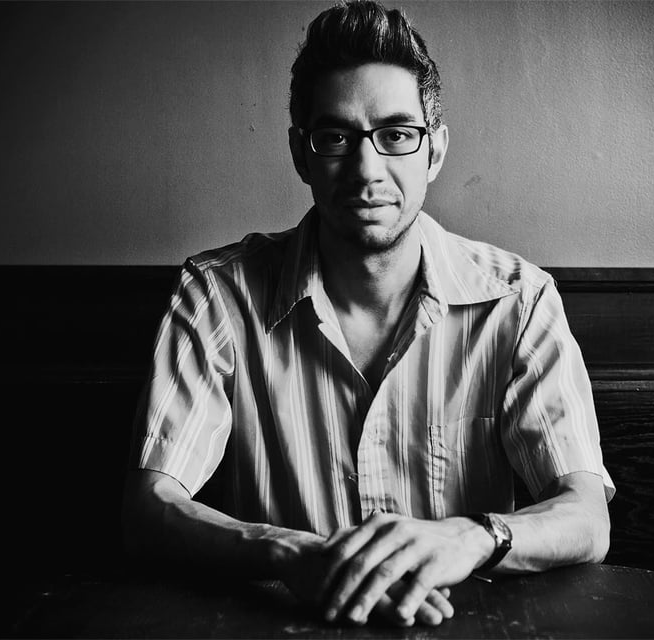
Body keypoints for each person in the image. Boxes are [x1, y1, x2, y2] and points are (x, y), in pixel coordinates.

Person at [123, 0, 614, 628]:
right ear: (301, 153)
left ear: (433, 151)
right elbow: (147, 506)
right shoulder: (218, 296)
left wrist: (468, 538)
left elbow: (586, 517)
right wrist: (290, 551)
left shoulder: (519, 302)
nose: (366, 169)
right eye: (336, 137)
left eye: (396, 135)